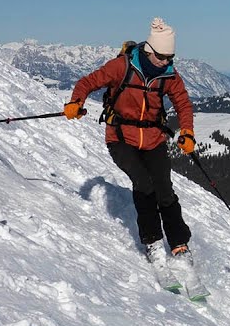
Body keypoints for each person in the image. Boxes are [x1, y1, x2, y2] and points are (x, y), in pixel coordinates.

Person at [64, 17, 197, 269]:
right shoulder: (121, 66)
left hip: (154, 139)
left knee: (164, 190)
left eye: (171, 57)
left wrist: (187, 132)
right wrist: (76, 101)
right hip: (121, 138)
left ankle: (179, 243)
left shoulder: (169, 75)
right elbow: (87, 83)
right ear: (149, 51)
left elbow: (183, 103)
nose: (167, 62)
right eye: (162, 57)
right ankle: (153, 242)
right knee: (144, 185)